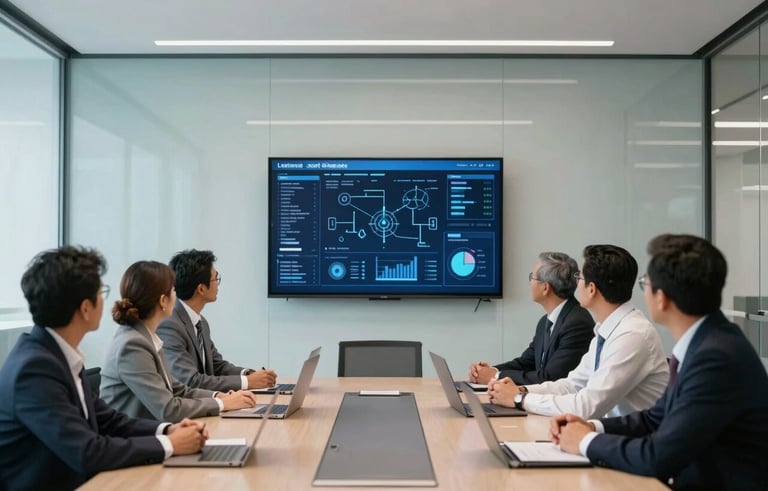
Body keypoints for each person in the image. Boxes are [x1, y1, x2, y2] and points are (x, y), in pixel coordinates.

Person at [551, 234, 768, 490]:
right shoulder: (707, 341)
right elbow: (655, 419)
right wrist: (592, 426)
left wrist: (585, 441)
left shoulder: (716, 358)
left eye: (646, 283)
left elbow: (657, 457)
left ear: (661, 298)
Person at [0, 247, 207, 490]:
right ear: (85, 308)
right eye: (101, 292)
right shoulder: (34, 369)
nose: (105, 300)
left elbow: (109, 420)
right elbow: (87, 452)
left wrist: (169, 429)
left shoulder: (57, 355)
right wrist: (170, 444)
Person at [487, 244, 668, 419]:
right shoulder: (607, 330)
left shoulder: (631, 336)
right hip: (610, 435)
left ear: (591, 289)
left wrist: (519, 399)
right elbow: (572, 385)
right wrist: (520, 391)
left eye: (579, 278)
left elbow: (586, 407)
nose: (575, 284)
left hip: (631, 441)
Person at [100, 261, 258, 422]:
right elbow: (169, 410)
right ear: (163, 300)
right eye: (173, 291)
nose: (176, 297)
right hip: (135, 440)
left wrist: (220, 396)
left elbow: (177, 390)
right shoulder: (132, 346)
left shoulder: (145, 338)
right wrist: (221, 404)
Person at [157, 249, 277, 391]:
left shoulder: (200, 322)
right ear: (201, 289)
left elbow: (216, 365)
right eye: (215, 279)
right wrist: (247, 382)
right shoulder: (169, 325)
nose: (217, 284)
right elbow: (190, 381)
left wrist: (248, 374)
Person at [469, 252, 594, 385]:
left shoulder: (577, 323)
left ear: (545, 287)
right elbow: (526, 363)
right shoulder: (545, 322)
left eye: (532, 278)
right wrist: (488, 371)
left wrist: (496, 376)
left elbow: (549, 378)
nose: (530, 283)